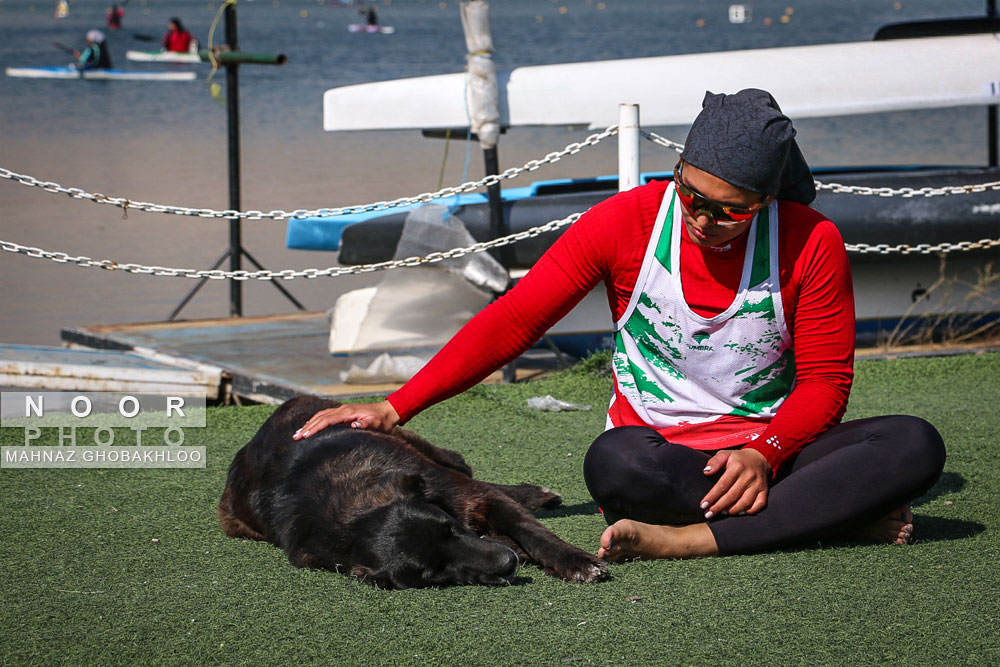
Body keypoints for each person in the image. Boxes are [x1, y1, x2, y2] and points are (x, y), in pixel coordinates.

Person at [293, 89, 946, 562]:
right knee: (612, 462)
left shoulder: (811, 241)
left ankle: (689, 538)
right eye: (690, 194)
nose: (700, 218)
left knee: (915, 444)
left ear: (767, 201)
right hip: (658, 459)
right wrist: (393, 405)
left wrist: (764, 452)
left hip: (770, 454)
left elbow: (827, 382)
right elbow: (516, 317)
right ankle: (824, 514)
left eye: (729, 211)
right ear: (679, 169)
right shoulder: (627, 221)